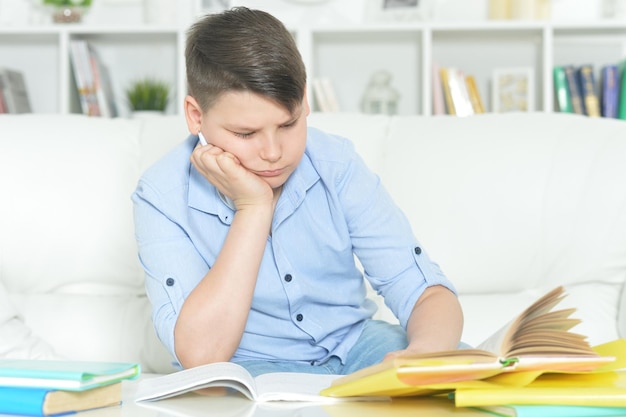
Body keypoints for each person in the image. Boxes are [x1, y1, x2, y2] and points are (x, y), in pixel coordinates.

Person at [132, 6, 463, 377]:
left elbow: (426, 292)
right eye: (246, 133)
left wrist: (422, 355)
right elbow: (202, 354)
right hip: (249, 368)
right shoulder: (161, 196)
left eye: (288, 124)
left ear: (305, 100)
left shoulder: (335, 164)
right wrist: (253, 208)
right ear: (196, 116)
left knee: (463, 369)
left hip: (356, 344)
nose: (273, 152)